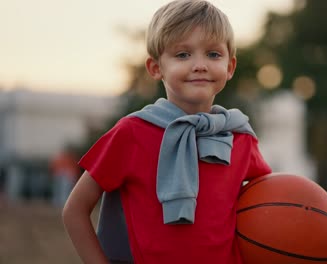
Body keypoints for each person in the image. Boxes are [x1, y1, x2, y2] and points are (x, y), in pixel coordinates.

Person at [62, 1, 272, 263]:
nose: (200, 65)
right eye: (183, 54)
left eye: (213, 54)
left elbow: (269, 208)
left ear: (230, 67)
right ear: (155, 68)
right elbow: (75, 210)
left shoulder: (240, 137)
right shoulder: (131, 133)